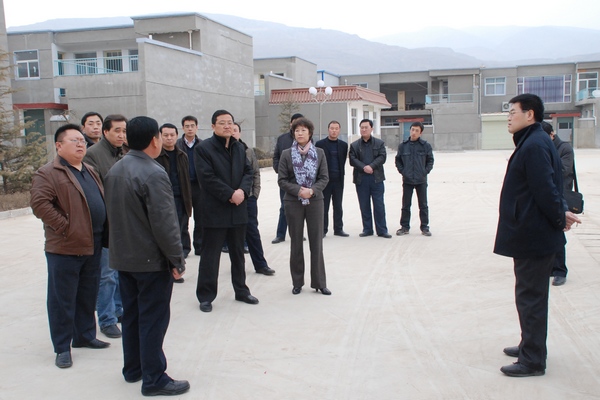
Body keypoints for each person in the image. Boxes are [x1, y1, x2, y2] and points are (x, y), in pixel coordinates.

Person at [494, 94, 581, 377]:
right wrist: (561, 213)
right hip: (531, 233)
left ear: (529, 114)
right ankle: (529, 345)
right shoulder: (535, 140)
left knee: (531, 297)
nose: (509, 118)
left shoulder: (533, 144)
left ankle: (532, 360)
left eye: (513, 112)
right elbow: (549, 186)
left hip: (533, 235)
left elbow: (546, 189)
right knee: (529, 296)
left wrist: (559, 217)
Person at [104, 116, 190, 396]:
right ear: (154, 140)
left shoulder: (115, 169)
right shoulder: (153, 173)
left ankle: (134, 368)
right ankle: (154, 378)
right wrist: (176, 260)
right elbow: (165, 224)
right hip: (150, 261)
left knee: (132, 315)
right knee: (153, 319)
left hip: (123, 257)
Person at [30, 124, 110, 369]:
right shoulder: (48, 173)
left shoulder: (89, 170)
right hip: (65, 247)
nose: (80, 144)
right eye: (74, 140)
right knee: (62, 300)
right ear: (58, 145)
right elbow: (40, 204)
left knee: (87, 294)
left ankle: (84, 336)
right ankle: (62, 348)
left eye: (82, 141)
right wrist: (66, 227)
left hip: (93, 243)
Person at [194, 110, 258, 313]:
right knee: (210, 256)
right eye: (222, 123)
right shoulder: (203, 149)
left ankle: (241, 291)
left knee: (238, 254)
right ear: (213, 126)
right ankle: (206, 296)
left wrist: (242, 191)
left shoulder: (239, 147)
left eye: (230, 122)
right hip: (215, 211)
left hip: (238, 210)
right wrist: (230, 194)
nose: (227, 126)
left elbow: (248, 171)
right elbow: (207, 178)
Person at [84, 114, 127, 340]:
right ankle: (107, 318)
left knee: (120, 272)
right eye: (117, 130)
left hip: (123, 222)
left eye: (124, 131)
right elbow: (94, 191)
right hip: (106, 224)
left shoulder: (124, 153)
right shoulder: (93, 154)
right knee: (107, 275)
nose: (121, 135)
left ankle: (118, 310)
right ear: (106, 132)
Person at [278, 117, 331, 295]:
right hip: (293, 202)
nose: (300, 133)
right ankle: (297, 282)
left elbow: (324, 178)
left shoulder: (319, 153)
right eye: (297, 130)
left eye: (303, 130)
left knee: (316, 242)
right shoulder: (286, 154)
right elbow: (282, 180)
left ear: (310, 133)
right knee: (296, 243)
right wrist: (299, 190)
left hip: (315, 201)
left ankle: (319, 282)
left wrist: (312, 190)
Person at [231, 122, 276, 276]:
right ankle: (237, 267)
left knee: (252, 232)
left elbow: (255, 173)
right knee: (233, 234)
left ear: (240, 133)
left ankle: (261, 265)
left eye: (235, 130)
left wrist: (255, 194)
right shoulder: (222, 152)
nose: (233, 133)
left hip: (248, 198)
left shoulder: (248, 151)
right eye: (230, 130)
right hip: (230, 199)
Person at [155, 123, 193, 283]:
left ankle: (178, 267)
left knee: (181, 231)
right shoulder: (156, 156)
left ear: (177, 136)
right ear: (160, 136)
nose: (169, 138)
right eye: (165, 135)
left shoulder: (182, 155)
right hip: (163, 201)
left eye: (172, 135)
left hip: (180, 199)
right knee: (168, 235)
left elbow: (186, 180)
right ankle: (171, 269)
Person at [542, 121, 574, 287]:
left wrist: (543, 168)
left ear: (552, 135)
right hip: (546, 194)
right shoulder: (542, 148)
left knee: (558, 232)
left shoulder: (564, 148)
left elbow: (564, 170)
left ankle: (560, 271)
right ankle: (550, 267)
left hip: (561, 195)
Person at [349, 119, 392, 238]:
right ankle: (367, 229)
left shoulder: (379, 143)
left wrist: (371, 166)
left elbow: (382, 157)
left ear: (371, 129)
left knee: (379, 205)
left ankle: (382, 230)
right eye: (362, 127)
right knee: (364, 205)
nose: (364, 129)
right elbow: (352, 160)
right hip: (361, 179)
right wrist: (364, 167)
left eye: (366, 127)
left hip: (376, 178)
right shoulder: (354, 145)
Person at [395, 121, 434, 236]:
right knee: (405, 205)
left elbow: (430, 161)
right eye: (412, 130)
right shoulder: (403, 146)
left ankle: (425, 227)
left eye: (417, 131)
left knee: (423, 205)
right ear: (410, 130)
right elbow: (398, 161)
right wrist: (403, 172)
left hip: (421, 180)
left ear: (420, 133)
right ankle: (404, 227)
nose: (414, 132)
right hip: (407, 180)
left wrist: (424, 172)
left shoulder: (425, 146)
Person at [271, 113, 304, 244]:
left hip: (301, 180)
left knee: (300, 207)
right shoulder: (282, 139)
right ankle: (280, 234)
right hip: (285, 181)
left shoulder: (306, 139)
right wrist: (280, 171)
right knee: (284, 206)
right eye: (295, 122)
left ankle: (298, 234)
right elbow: (276, 157)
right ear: (291, 124)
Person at [316, 120, 349, 237]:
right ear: (328, 129)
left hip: (338, 180)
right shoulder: (320, 144)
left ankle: (338, 229)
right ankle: (323, 230)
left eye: (336, 129)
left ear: (339, 130)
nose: (334, 131)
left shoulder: (344, 145)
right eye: (332, 128)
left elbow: (343, 161)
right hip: (324, 181)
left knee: (338, 206)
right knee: (324, 206)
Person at [176, 116, 202, 257]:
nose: (190, 128)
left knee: (201, 218)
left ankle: (200, 246)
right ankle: (184, 248)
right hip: (183, 186)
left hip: (199, 186)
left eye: (192, 126)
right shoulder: (177, 145)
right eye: (187, 126)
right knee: (183, 219)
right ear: (183, 128)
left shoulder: (203, 145)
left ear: (197, 127)